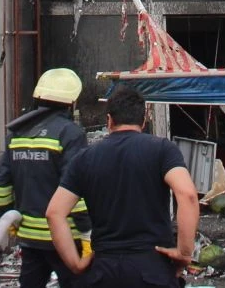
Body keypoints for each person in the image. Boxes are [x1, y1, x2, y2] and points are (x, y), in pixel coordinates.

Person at [46, 84, 199, 288]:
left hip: (103, 271)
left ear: (109, 120)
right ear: (144, 121)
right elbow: (187, 195)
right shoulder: (162, 150)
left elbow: (54, 213)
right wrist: (184, 253)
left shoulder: (84, 159)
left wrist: (75, 264)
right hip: (152, 269)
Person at [0, 68, 90, 288]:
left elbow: (0, 183)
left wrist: (9, 220)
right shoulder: (71, 134)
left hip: (29, 238)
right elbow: (76, 187)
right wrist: (87, 232)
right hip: (65, 237)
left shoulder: (17, 134)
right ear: (71, 102)